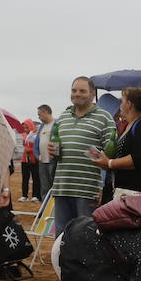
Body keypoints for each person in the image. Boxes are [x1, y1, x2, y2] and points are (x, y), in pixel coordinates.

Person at [49, 80, 116, 231]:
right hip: (62, 187)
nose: (77, 94)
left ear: (92, 94)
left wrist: (101, 187)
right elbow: (58, 155)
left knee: (86, 237)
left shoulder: (104, 118)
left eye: (82, 91)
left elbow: (110, 156)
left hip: (88, 190)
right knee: (61, 236)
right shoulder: (63, 118)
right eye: (74, 90)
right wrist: (54, 153)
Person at [92, 86, 141, 198]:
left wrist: (109, 163)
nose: (120, 105)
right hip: (123, 192)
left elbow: (140, 158)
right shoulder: (130, 125)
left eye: (122, 101)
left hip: (136, 194)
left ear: (129, 104)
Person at [33, 105, 56, 201]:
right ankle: (44, 209)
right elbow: (36, 143)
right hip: (42, 162)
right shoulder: (42, 126)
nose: (38, 117)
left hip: (53, 161)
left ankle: (54, 210)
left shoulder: (57, 124)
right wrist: (37, 156)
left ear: (46, 112)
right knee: (44, 187)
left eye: (40, 114)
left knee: (54, 187)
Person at [20, 119, 40, 200]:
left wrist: (30, 150)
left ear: (31, 126)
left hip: (34, 159)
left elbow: (37, 147)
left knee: (36, 178)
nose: (25, 130)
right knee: (25, 178)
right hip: (25, 160)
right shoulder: (24, 134)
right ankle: (24, 195)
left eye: (27, 127)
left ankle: (35, 195)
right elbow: (23, 145)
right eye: (24, 128)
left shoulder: (36, 135)